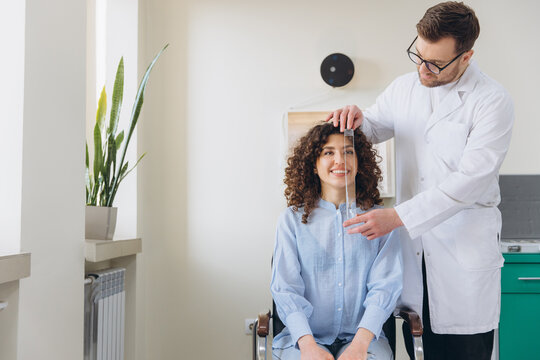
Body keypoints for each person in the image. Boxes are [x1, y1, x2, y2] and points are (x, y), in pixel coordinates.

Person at [326, 2, 514, 360]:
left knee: (464, 351)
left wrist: (398, 217)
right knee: (417, 342)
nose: (422, 69)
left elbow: (470, 181)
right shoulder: (404, 88)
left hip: (462, 256)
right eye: (418, 55)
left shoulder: (491, 101)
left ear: (466, 57)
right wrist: (355, 118)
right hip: (415, 256)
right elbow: (373, 125)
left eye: (435, 63)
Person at [271, 123, 402, 360]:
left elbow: (385, 287)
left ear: (360, 162)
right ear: (313, 163)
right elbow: (286, 288)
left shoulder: (381, 220)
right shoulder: (291, 220)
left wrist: (360, 346)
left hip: (364, 339)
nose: (340, 160)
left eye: (348, 151)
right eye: (328, 152)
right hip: (302, 339)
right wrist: (308, 346)